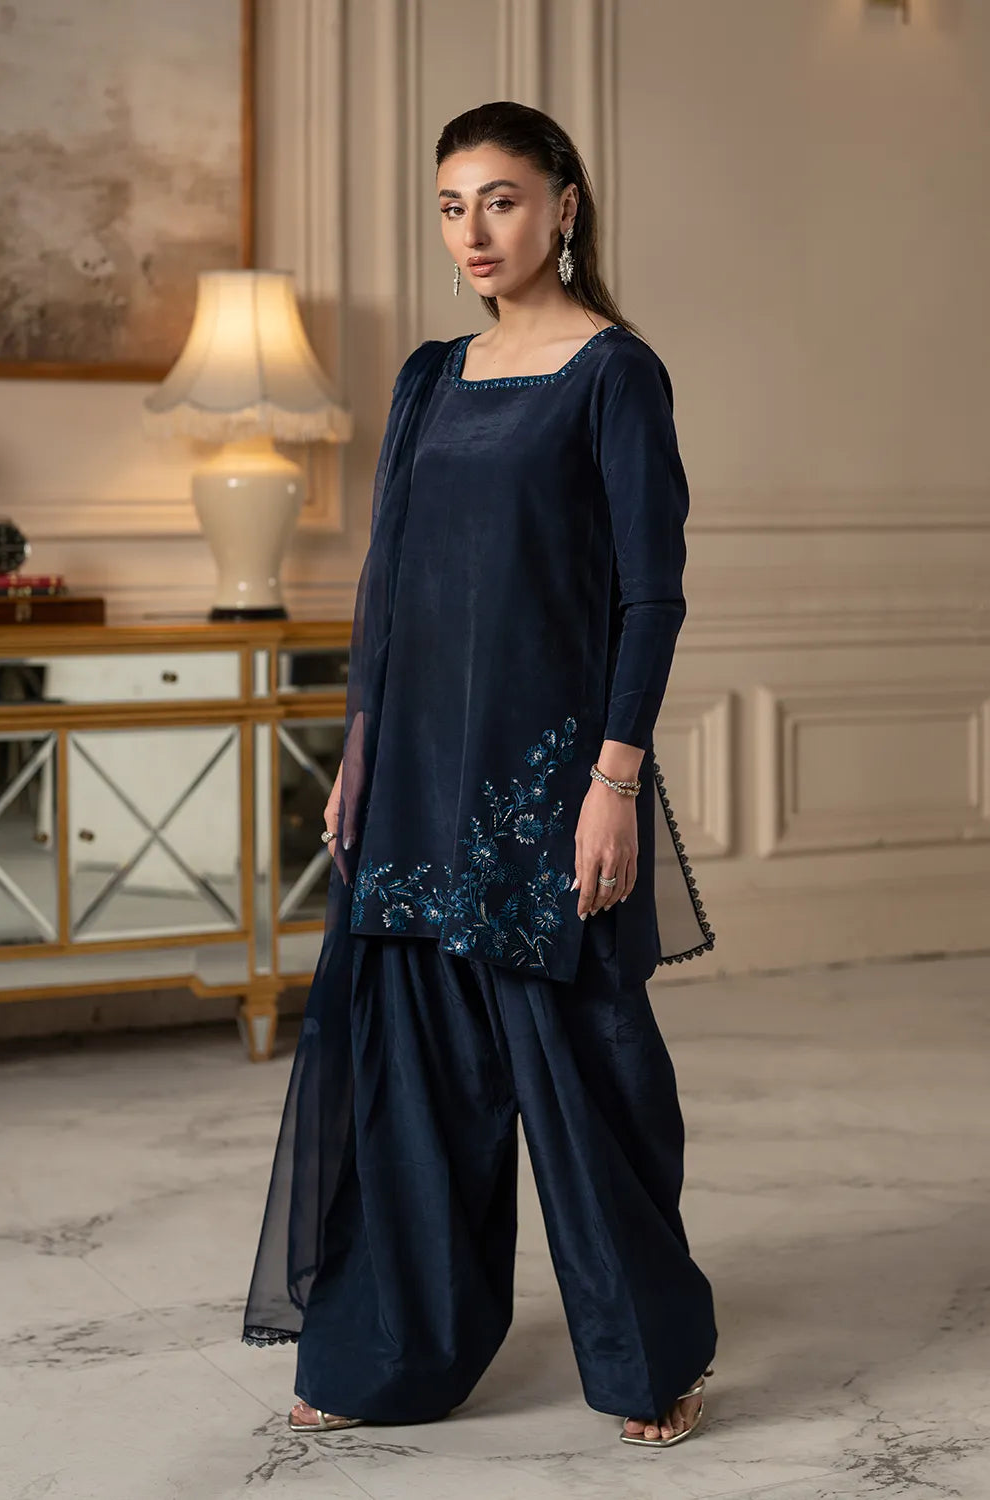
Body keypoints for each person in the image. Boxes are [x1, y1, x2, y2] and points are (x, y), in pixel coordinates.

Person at [242, 100, 717, 1451]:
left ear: (564, 204)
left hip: (547, 785)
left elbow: (651, 597)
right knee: (412, 1085)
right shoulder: (429, 377)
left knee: (587, 1083)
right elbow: (387, 586)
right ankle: (391, 1354)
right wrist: (360, 749)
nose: (474, 232)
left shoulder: (615, 374)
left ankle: (651, 1359)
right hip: (413, 782)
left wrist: (613, 782)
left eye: (500, 200)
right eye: (452, 206)